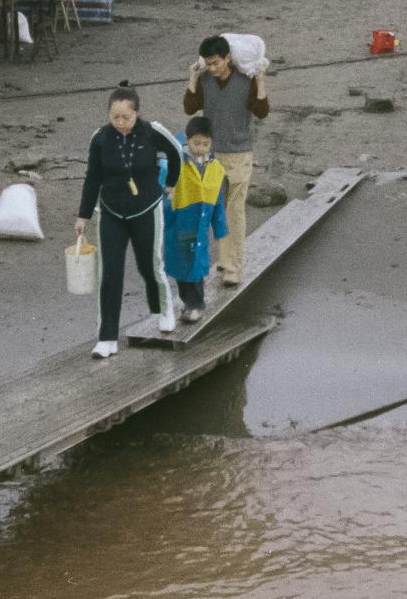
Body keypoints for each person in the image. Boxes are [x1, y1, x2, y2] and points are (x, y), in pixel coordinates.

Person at [76, 83, 182, 359]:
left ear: (137, 114)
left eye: (125, 117)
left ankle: (163, 309)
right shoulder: (99, 138)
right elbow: (93, 177)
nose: (120, 122)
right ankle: (107, 337)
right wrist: (83, 215)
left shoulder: (152, 131)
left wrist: (170, 184)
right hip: (111, 211)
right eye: (115, 117)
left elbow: (175, 152)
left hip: (147, 207)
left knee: (150, 266)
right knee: (110, 273)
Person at [183, 35, 270, 288]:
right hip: (210, 155)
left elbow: (262, 111)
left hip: (239, 154)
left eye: (216, 63)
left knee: (234, 210)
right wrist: (193, 77)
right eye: (208, 64)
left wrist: (261, 81)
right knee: (214, 209)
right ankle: (223, 260)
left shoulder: (246, 80)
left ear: (228, 58)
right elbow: (190, 108)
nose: (212, 68)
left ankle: (233, 267)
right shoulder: (206, 80)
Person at [166, 115, 230, 322]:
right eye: (196, 143)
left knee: (196, 268)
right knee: (179, 268)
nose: (200, 148)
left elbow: (218, 201)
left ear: (212, 143)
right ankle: (188, 302)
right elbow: (163, 193)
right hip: (179, 223)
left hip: (200, 227)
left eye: (205, 144)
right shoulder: (176, 164)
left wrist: (220, 228)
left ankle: (196, 305)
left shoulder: (216, 170)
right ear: (187, 140)